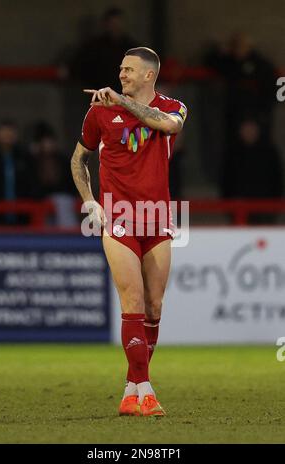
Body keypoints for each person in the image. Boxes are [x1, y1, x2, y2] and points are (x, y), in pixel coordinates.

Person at [71, 47, 187, 416]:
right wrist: (90, 201)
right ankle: (146, 391)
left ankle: (131, 387)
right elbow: (78, 159)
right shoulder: (99, 112)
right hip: (119, 219)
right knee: (133, 302)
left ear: (149, 75)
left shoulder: (174, 107)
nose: (121, 74)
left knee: (154, 306)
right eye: (120, 69)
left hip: (158, 219)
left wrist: (121, 100)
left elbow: (166, 126)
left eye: (129, 70)